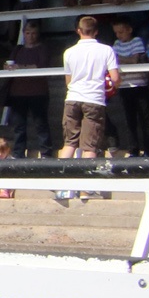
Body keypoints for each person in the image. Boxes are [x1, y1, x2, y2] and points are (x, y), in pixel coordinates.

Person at [57, 15, 120, 200]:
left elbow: (68, 81)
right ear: (96, 31)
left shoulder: (68, 52)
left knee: (69, 143)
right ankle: (86, 187)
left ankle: (60, 184)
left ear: (78, 30)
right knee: (89, 146)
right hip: (94, 99)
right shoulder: (106, 50)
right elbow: (115, 78)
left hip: (72, 98)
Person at [3, 21, 53, 158]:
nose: (31, 36)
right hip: (18, 92)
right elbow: (10, 64)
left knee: (41, 125)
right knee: (19, 126)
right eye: (28, 33)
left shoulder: (43, 48)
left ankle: (46, 153)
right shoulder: (18, 49)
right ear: (24, 34)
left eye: (34, 33)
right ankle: (18, 153)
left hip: (38, 92)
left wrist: (21, 67)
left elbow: (41, 66)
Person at [108, 17, 149, 157]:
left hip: (139, 85)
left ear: (129, 30)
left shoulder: (137, 41)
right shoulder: (116, 43)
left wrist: (118, 58)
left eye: (121, 32)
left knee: (144, 119)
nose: (118, 35)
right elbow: (114, 62)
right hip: (125, 86)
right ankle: (133, 148)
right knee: (129, 120)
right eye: (116, 32)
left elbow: (134, 60)